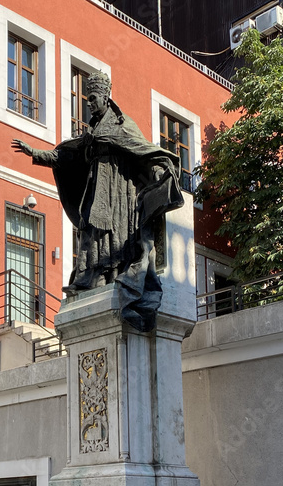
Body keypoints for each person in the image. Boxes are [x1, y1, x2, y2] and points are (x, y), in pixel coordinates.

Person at [11, 71, 183, 332]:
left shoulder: (122, 125)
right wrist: (34, 152)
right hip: (97, 191)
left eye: (92, 98)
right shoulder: (91, 133)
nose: (89, 103)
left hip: (119, 194)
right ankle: (93, 277)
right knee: (91, 233)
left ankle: (113, 276)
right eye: (87, 99)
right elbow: (64, 157)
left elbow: (143, 150)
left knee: (116, 237)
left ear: (105, 97)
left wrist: (160, 172)